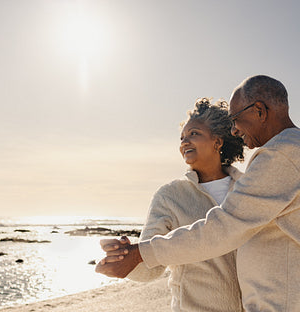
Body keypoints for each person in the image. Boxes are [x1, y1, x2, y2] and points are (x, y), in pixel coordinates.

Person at [97, 75, 300, 312]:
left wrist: (141, 252)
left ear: (259, 111)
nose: (234, 129)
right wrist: (131, 255)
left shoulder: (281, 156)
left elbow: (224, 227)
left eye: (235, 120)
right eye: (181, 137)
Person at [96, 98, 245, 312]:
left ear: (218, 141)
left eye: (194, 134)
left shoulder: (248, 189)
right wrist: (125, 256)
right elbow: (151, 268)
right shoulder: (170, 196)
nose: (184, 142)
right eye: (182, 137)